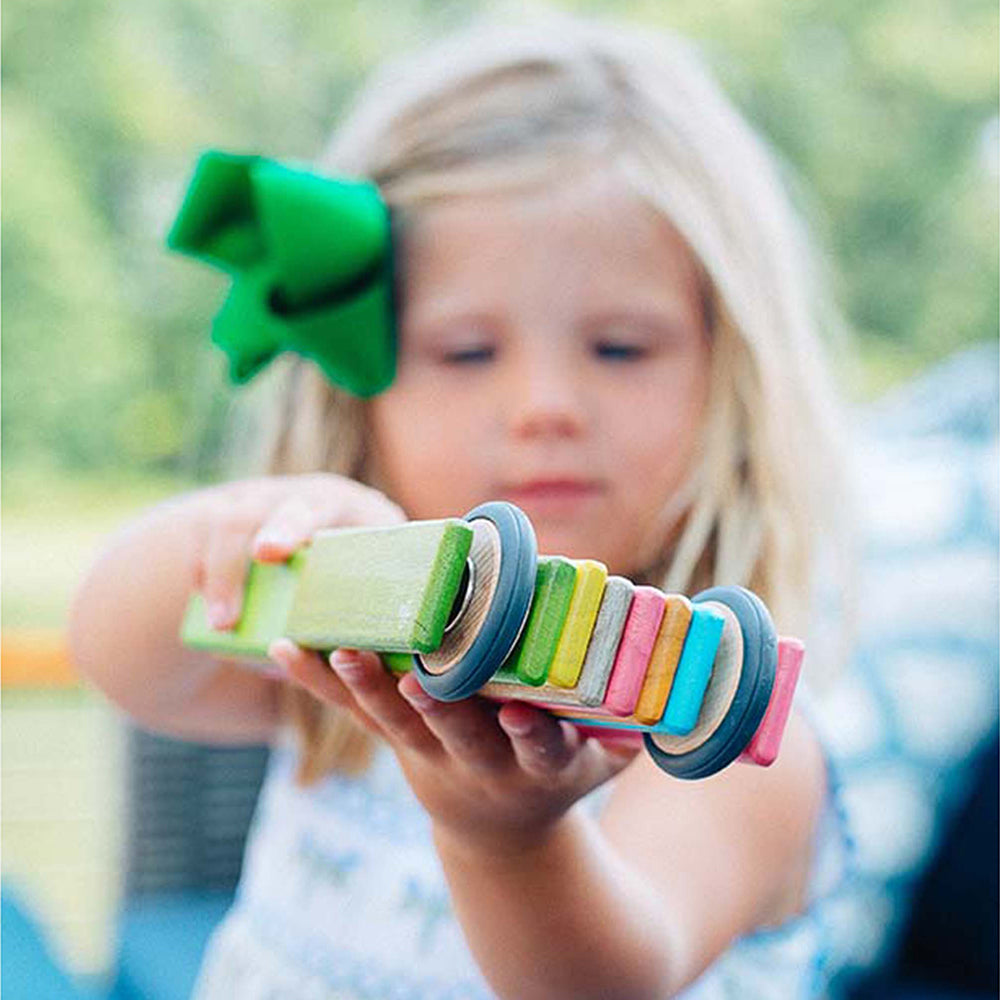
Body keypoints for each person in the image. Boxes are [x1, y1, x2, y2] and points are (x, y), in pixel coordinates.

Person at [70, 15, 856, 999]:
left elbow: (613, 980)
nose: (545, 407)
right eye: (467, 352)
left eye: (619, 347)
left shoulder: (712, 722)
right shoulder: (350, 661)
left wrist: (505, 838)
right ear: (361, 393)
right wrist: (263, 526)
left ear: (728, 373)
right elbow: (116, 650)